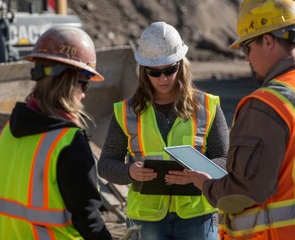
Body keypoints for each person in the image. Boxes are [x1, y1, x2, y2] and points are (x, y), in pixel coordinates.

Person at [185, 0, 295, 239]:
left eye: (247, 48)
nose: (246, 58)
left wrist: (207, 186)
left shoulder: (266, 105)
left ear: (268, 40)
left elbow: (245, 192)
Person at [98, 21, 229, 240]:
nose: (163, 78)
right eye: (154, 72)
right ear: (143, 71)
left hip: (197, 217)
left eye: (170, 70)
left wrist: (195, 177)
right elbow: (105, 165)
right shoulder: (126, 112)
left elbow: (225, 160)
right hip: (146, 220)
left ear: (181, 64)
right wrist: (129, 173)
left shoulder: (208, 107)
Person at [0, 26, 112, 239]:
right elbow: (88, 218)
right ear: (67, 83)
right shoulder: (68, 142)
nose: (83, 95)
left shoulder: (7, 132)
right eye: (83, 85)